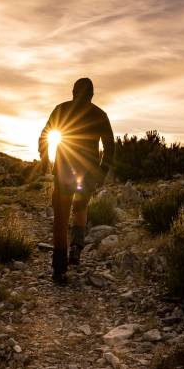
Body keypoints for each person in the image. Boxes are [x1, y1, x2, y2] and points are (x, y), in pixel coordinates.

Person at [38, 78, 114, 284]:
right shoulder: (100, 115)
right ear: (92, 95)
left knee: (61, 216)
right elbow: (110, 148)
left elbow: (45, 136)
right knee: (80, 207)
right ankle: (76, 248)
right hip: (87, 173)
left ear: (73, 92)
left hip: (63, 170)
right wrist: (100, 172)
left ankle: (59, 268)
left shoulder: (61, 109)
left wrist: (44, 159)